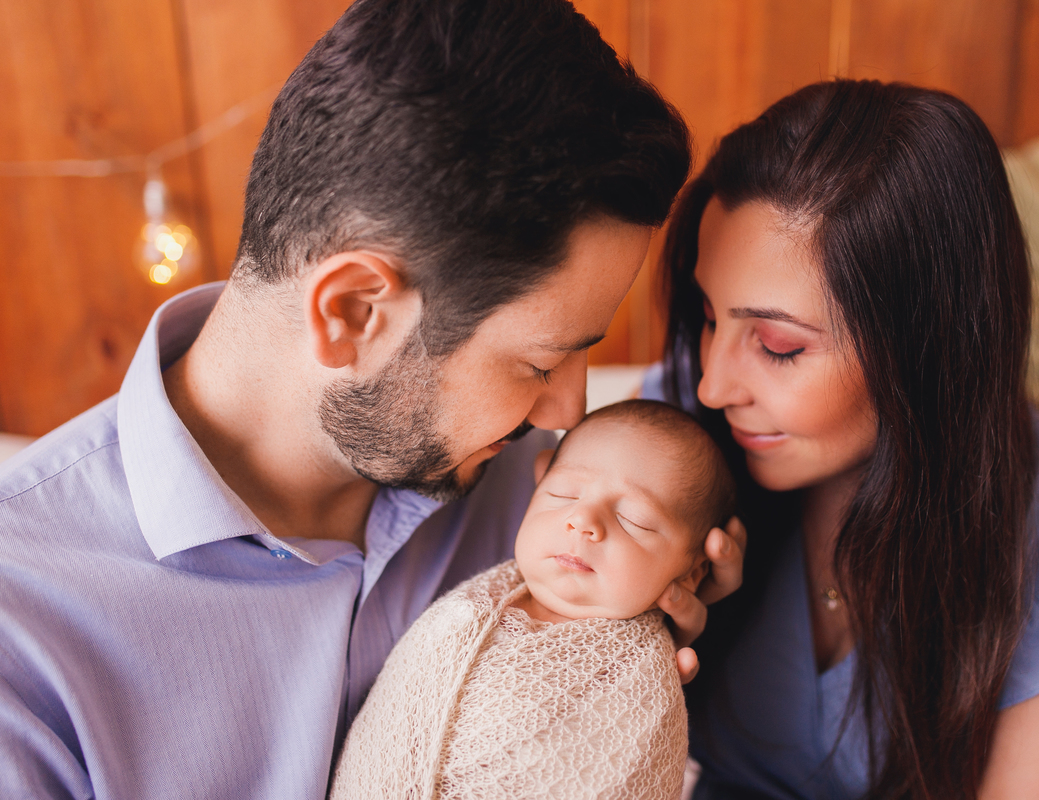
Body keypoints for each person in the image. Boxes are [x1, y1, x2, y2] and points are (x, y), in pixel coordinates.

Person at [0, 2, 748, 798]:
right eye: (540, 364)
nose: (566, 414)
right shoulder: (25, 631)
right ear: (353, 311)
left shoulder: (545, 494)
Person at [644, 79, 1039, 800]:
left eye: (779, 347)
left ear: (928, 345)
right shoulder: (675, 431)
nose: (714, 386)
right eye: (709, 316)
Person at [330, 400, 736, 799]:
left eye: (633, 519)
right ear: (537, 485)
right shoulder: (475, 604)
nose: (583, 521)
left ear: (691, 572)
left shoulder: (642, 684)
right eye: (564, 494)